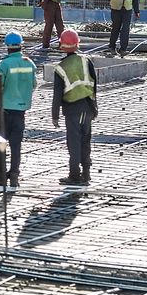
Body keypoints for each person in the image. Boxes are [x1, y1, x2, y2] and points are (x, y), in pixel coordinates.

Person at [52, 29, 97, 185]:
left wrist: (55, 115)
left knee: (74, 143)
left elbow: (57, 93)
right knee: (86, 141)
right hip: (88, 107)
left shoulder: (61, 67)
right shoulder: (87, 60)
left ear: (62, 46)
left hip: (72, 110)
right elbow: (94, 84)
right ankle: (86, 173)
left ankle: (74, 175)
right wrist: (94, 106)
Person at [0, 31, 37, 187]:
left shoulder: (4, 64)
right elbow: (34, 85)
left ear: (7, 46)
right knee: (16, 145)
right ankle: (14, 176)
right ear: (21, 45)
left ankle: (0, 176)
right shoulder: (29, 63)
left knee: (0, 143)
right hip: (20, 112)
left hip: (4, 111)